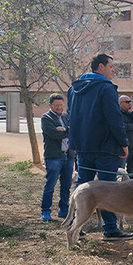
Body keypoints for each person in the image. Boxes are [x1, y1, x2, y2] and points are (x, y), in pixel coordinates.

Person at [68, 53, 133, 241]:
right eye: (111, 66)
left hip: (83, 146)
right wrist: (123, 142)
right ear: (101, 67)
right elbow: (114, 119)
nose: (114, 70)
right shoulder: (106, 88)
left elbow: (72, 116)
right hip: (106, 148)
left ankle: (76, 227)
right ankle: (110, 229)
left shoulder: (73, 89)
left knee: (83, 185)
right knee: (108, 188)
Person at [40, 93, 75, 222]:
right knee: (50, 184)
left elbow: (74, 131)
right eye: (56, 105)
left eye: (61, 105)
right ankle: (45, 211)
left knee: (66, 185)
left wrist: (64, 129)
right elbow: (54, 134)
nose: (59, 107)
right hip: (54, 157)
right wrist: (67, 132)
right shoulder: (46, 118)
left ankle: (64, 209)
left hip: (68, 156)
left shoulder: (66, 117)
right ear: (50, 105)